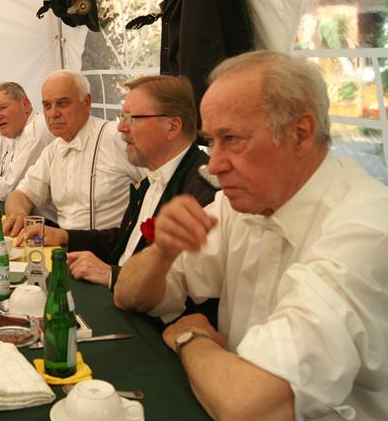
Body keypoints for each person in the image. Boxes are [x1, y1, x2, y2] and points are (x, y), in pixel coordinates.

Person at [114, 51, 388, 420]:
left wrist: (190, 338)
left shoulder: (365, 229)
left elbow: (252, 405)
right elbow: (128, 295)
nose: (213, 165)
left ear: (300, 133)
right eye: (211, 141)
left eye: (232, 139)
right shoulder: (239, 205)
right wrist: (162, 251)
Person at [38, 76, 216, 289]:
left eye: (132, 118)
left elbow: (186, 287)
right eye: (122, 116)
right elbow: (124, 242)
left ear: (172, 126)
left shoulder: (205, 194)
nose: (121, 127)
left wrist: (112, 275)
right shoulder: (152, 177)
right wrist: (66, 236)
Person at [3, 70, 141, 236]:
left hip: (110, 249)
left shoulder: (115, 138)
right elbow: (20, 195)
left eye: (62, 103)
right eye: (47, 105)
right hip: (64, 248)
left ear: (87, 103)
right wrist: (18, 214)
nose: (53, 114)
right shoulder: (53, 151)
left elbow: (159, 185)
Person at [0, 82, 53, 200]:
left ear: (25, 105)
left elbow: (10, 190)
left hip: (43, 212)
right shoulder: (9, 132)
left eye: (3, 107)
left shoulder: (36, 132)